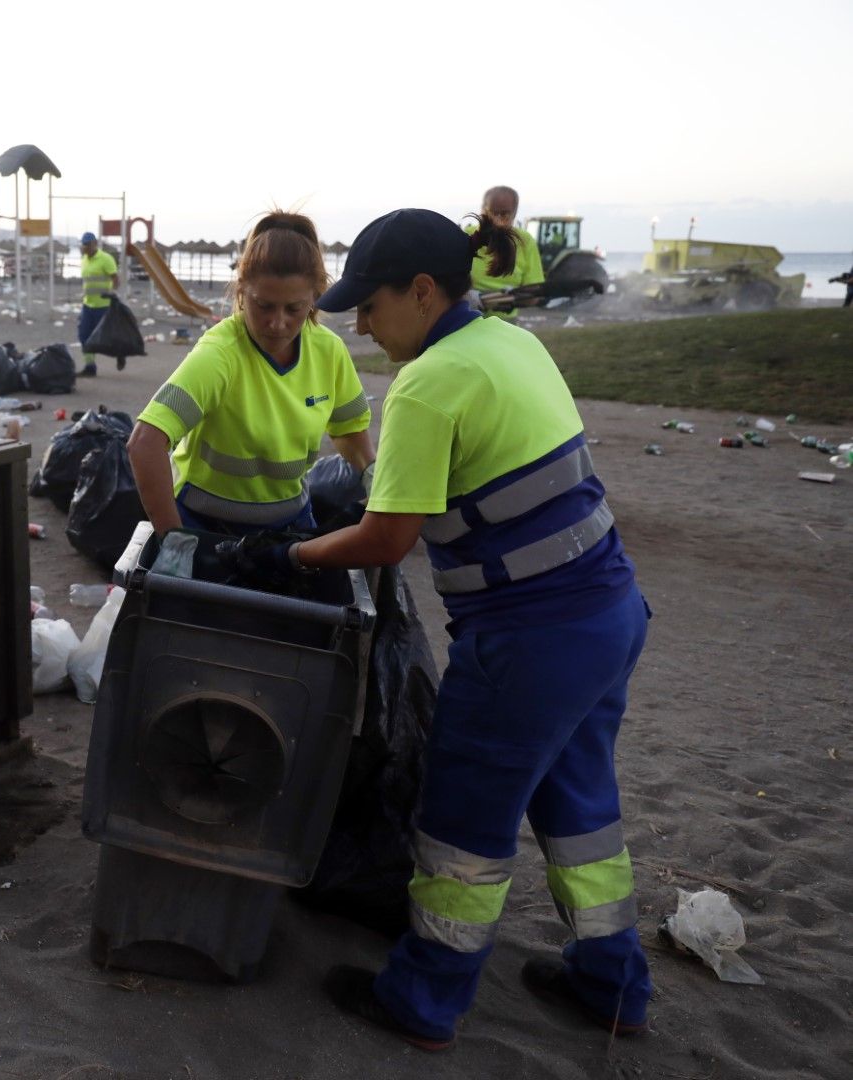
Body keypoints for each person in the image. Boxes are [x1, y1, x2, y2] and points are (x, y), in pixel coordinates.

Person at [232, 207, 650, 1051]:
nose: (358, 322)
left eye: (371, 304)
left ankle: (422, 1000)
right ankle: (613, 986)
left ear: (423, 292)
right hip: (609, 613)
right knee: (581, 810)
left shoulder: (426, 381)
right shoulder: (513, 344)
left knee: (462, 825)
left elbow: (390, 537)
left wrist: (293, 556)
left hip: (527, 642)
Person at [127, 211, 374, 537]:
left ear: (316, 296)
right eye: (264, 306)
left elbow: (350, 433)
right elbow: (145, 443)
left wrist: (375, 481)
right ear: (241, 291)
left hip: (290, 520)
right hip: (205, 522)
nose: (278, 322)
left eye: (294, 309)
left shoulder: (329, 351)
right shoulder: (219, 354)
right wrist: (173, 540)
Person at [468, 186, 543, 317]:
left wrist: (510, 299)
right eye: (492, 212)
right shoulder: (465, 236)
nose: (497, 220)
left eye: (504, 214)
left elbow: (533, 293)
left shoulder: (525, 242)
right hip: (468, 319)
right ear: (482, 210)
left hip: (505, 322)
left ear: (514, 214)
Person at [77, 231, 121, 376]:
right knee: (84, 336)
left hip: (103, 306)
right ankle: (90, 366)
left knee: (108, 339)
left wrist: (112, 292)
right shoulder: (84, 260)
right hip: (88, 305)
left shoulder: (106, 259)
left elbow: (116, 280)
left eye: (88, 245)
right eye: (84, 245)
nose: (86, 248)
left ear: (95, 244)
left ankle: (120, 354)